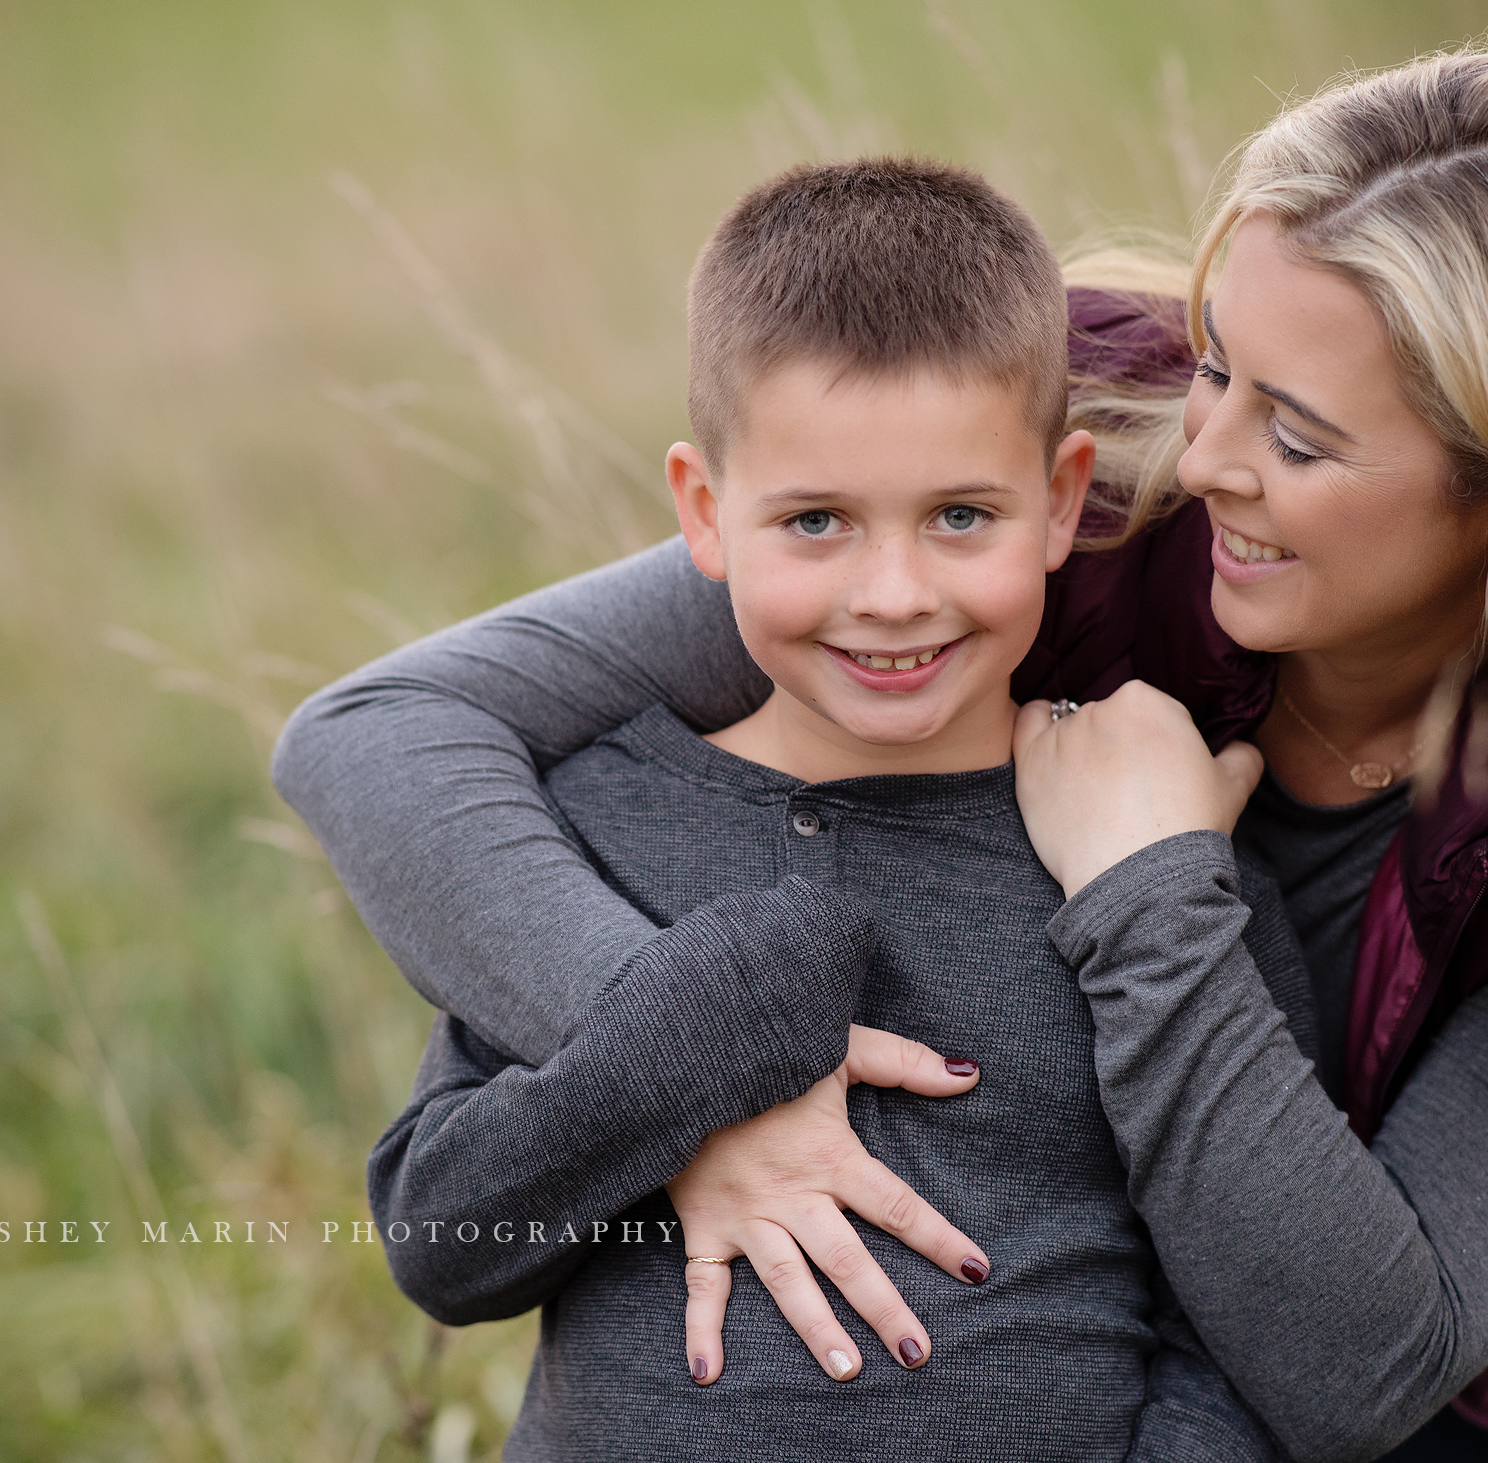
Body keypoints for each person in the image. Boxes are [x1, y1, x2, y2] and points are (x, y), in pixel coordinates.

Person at [275, 49, 1488, 1462]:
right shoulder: (1042, 495)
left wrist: (1159, 891)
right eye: (1220, 359)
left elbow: (1353, 1371)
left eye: (1296, 437)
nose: (1202, 455)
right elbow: (387, 731)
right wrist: (704, 1075)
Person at [363, 157, 1290, 1461]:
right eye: (816, 522)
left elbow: (1245, 1319)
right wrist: (704, 1031)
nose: (895, 591)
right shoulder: (602, 817)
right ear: (704, 509)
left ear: (1063, 501)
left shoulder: (1135, 839)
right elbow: (443, 1239)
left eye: (961, 513)